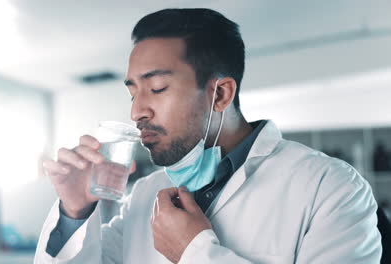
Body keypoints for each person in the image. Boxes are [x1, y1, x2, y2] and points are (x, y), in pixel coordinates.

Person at [34, 8, 382, 263]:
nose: (136, 111)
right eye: (132, 92)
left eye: (157, 88)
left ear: (220, 95)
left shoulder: (332, 189)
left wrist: (196, 253)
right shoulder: (144, 195)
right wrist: (74, 212)